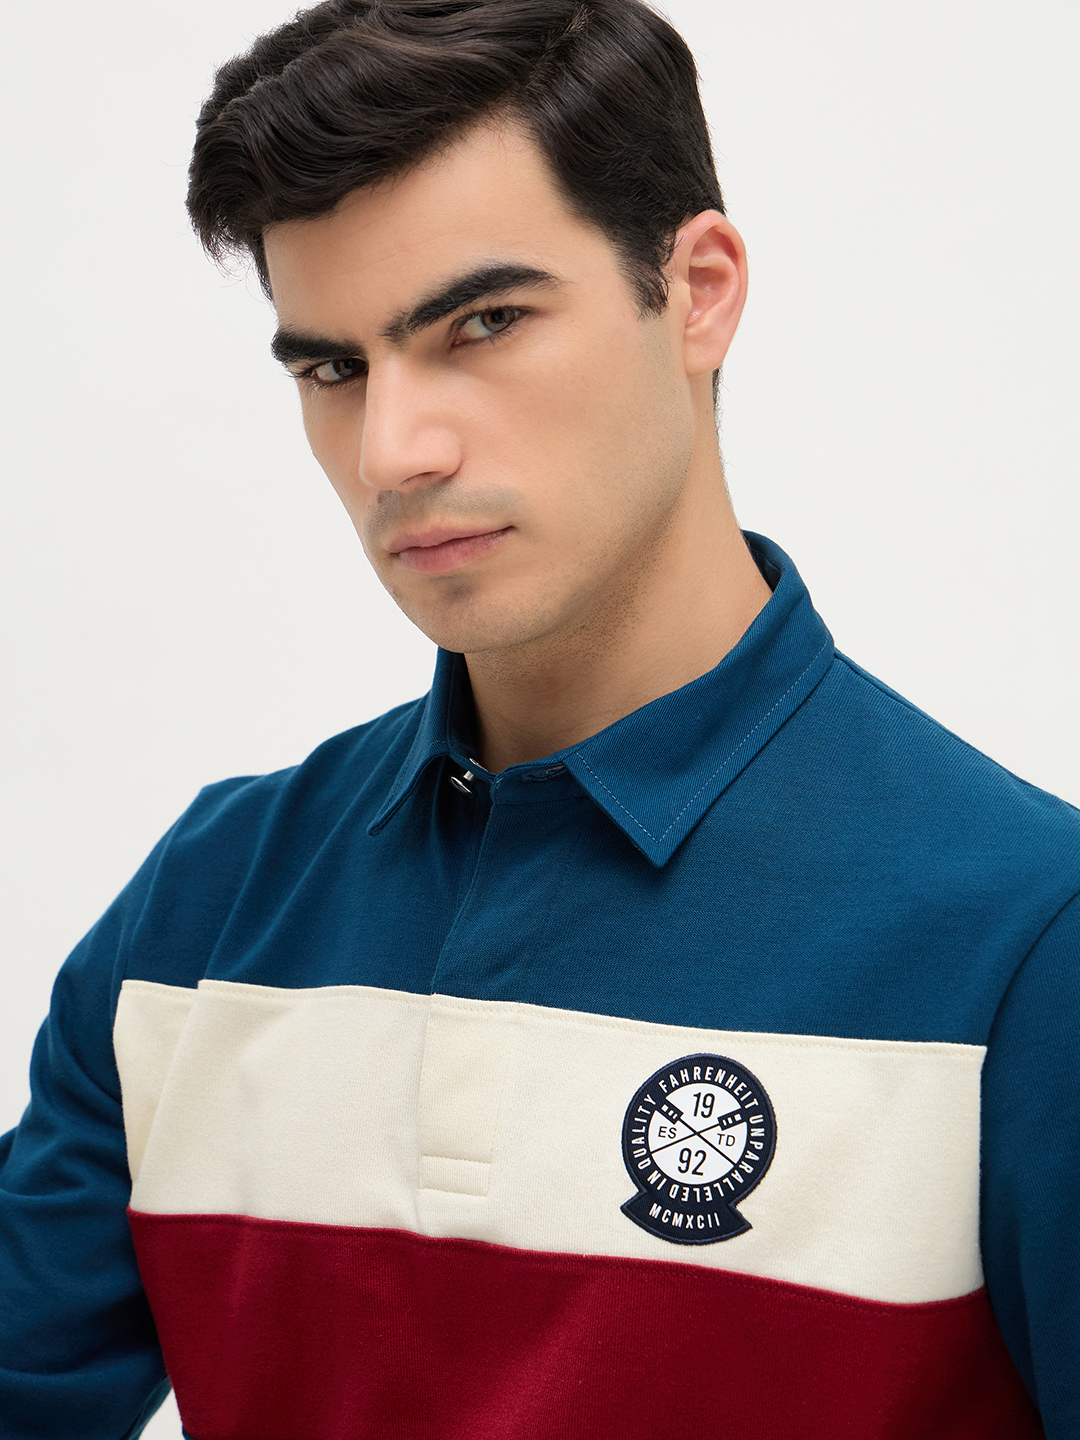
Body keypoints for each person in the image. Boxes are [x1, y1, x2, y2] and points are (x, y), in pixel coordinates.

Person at [1, 0, 1076, 1433]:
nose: (394, 451)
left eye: (484, 323)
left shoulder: (1032, 946)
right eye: (333, 368)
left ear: (697, 292)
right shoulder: (199, 917)